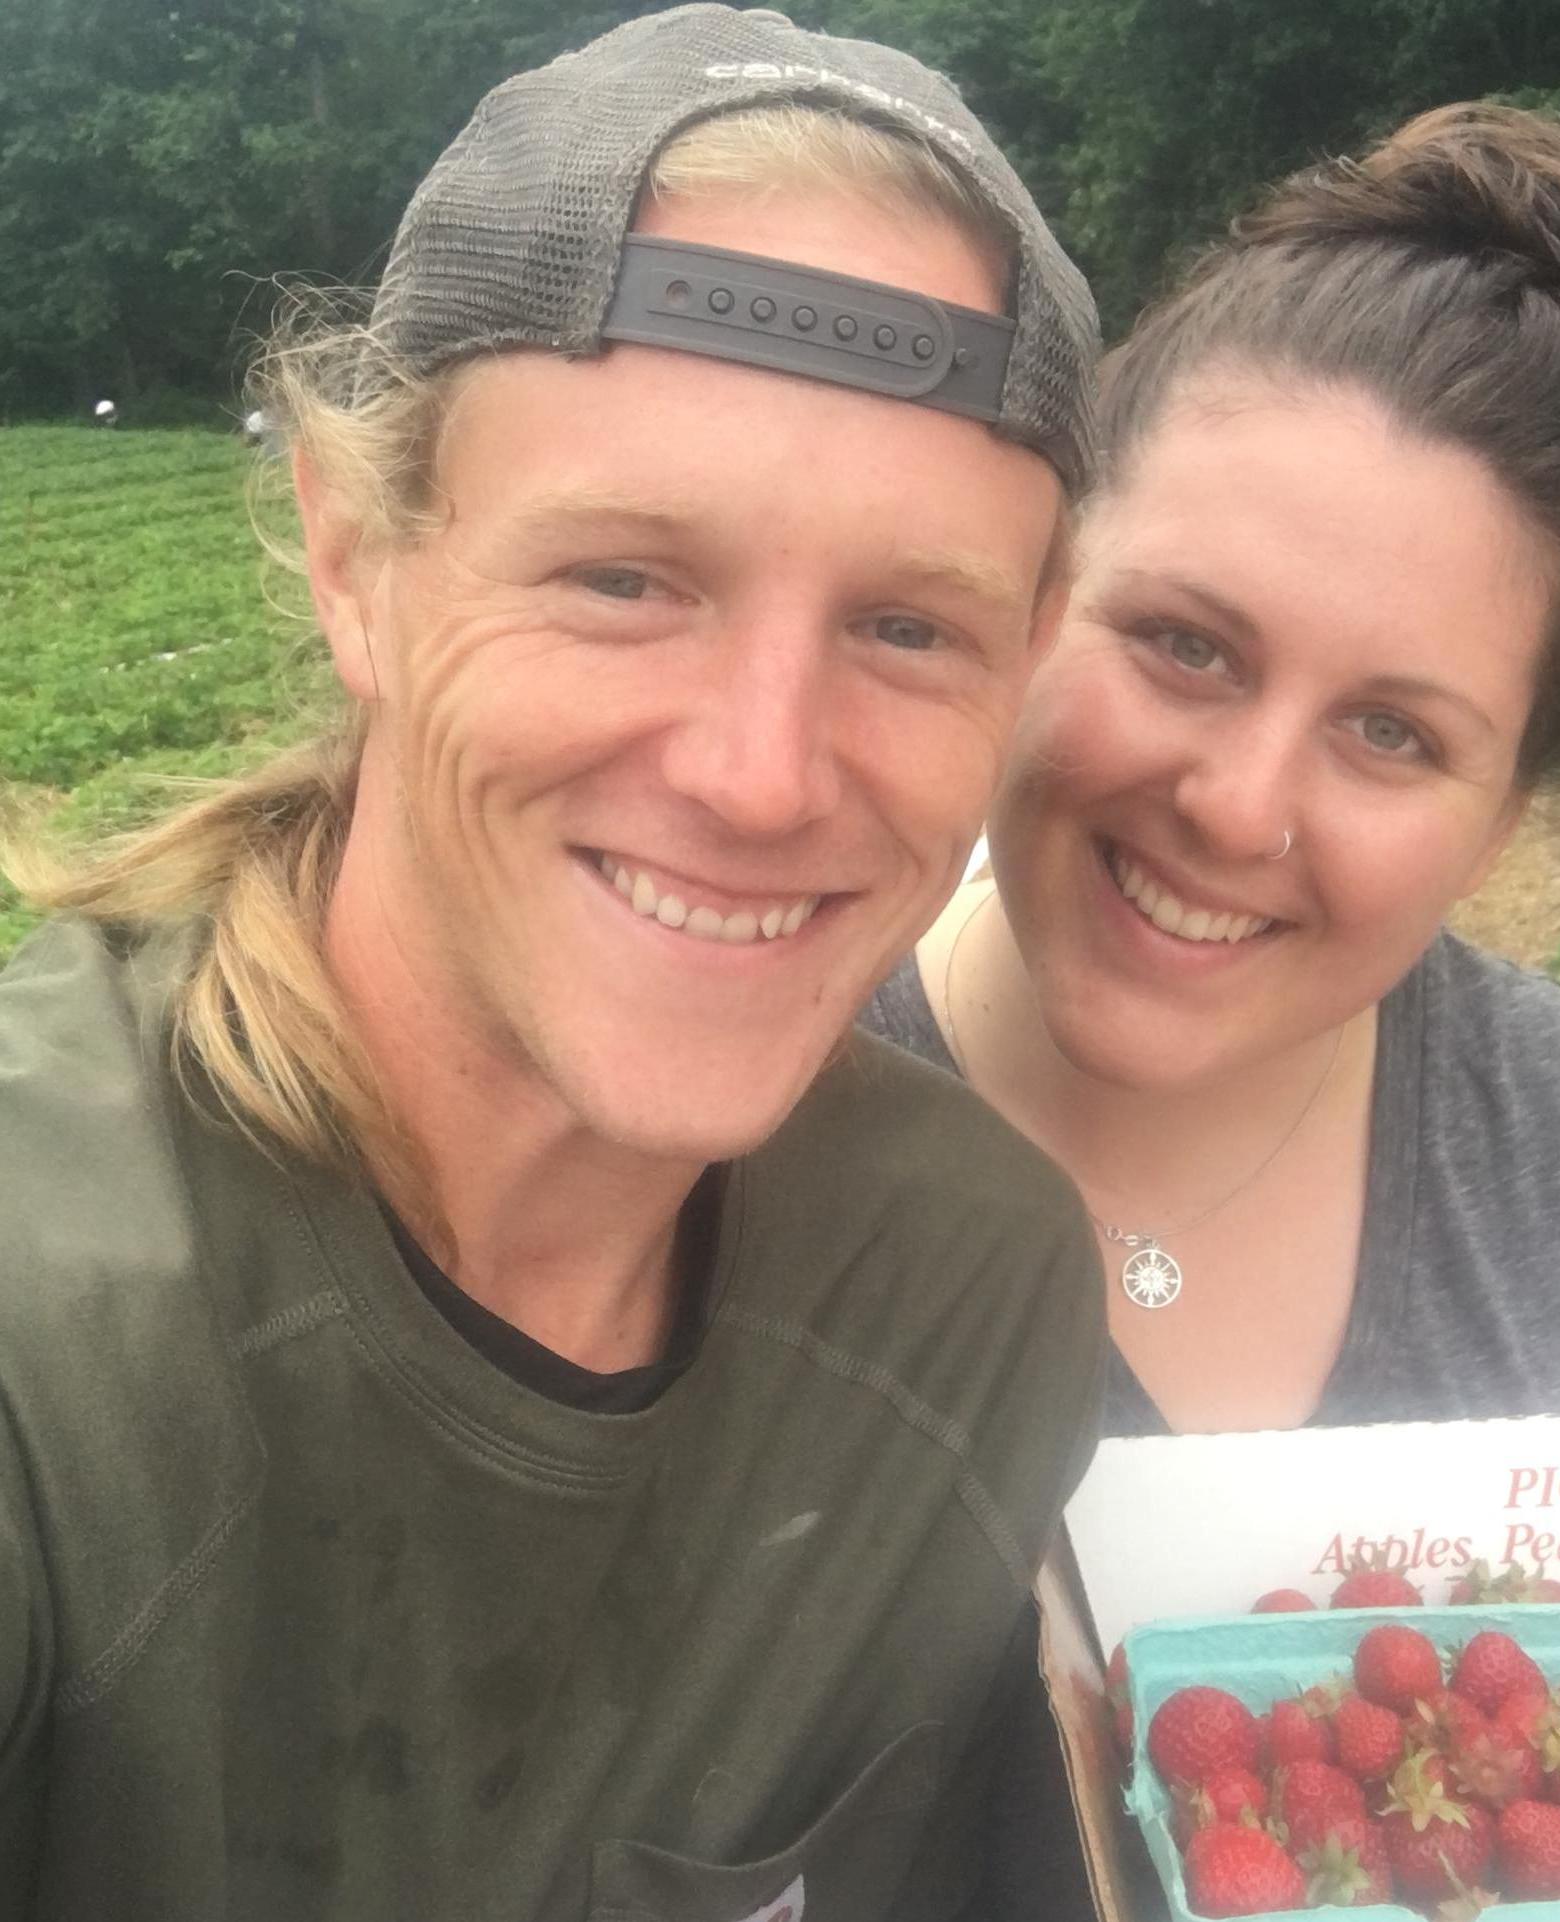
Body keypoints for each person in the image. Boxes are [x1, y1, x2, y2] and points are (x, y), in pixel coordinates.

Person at [0, 9, 1107, 1919]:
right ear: (356, 559)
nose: (761, 772)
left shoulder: (970, 1300)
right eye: (624, 578)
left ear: (1033, 647)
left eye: (909, 627)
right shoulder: (50, 1363)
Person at [866, 102, 1560, 1445]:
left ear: (1497, 827)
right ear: (1032, 594)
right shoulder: (729, 1131)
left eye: (1391, 733)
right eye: (1184, 645)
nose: (1238, 806)